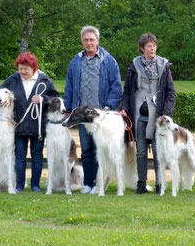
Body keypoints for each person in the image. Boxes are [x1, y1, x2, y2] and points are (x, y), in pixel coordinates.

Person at [0, 52, 59, 192]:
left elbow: (55, 98)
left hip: (37, 126)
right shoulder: (13, 79)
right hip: (18, 125)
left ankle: (35, 185)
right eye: (20, 68)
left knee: (37, 155)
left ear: (33, 68)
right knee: (19, 155)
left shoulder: (44, 80)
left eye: (25, 69)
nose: (23, 71)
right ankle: (19, 185)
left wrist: (43, 99)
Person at [64, 25, 123, 194]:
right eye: (85, 40)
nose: (88, 42)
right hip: (82, 116)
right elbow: (69, 87)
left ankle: (100, 184)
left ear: (97, 41)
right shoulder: (76, 61)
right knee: (87, 149)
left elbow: (116, 87)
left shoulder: (108, 60)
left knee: (100, 150)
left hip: (100, 117)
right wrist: (68, 108)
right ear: (82, 41)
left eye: (92, 39)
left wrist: (108, 107)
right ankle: (88, 183)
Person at [120, 33, 176, 194]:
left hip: (158, 116)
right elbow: (127, 91)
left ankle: (160, 184)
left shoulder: (164, 65)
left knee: (159, 150)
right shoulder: (134, 65)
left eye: (154, 45)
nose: (152, 48)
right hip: (138, 113)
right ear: (142, 48)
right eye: (149, 46)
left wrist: (166, 113)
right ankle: (141, 184)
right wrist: (124, 107)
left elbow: (171, 92)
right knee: (141, 150)